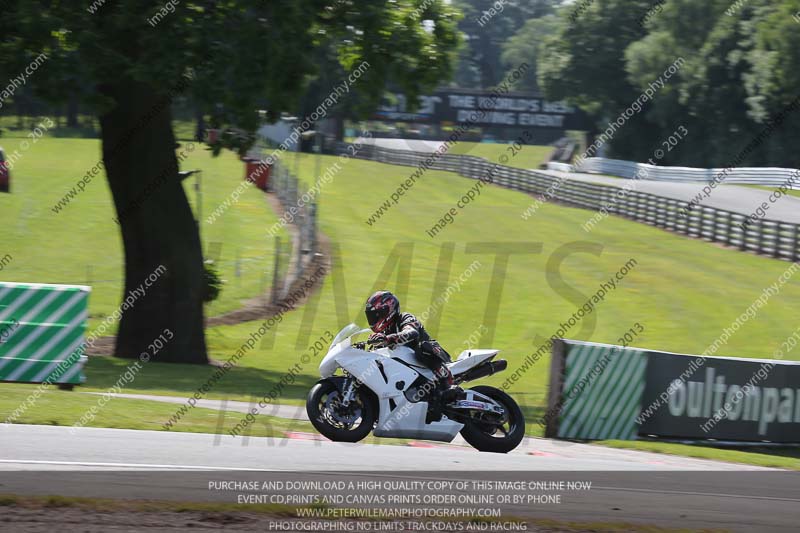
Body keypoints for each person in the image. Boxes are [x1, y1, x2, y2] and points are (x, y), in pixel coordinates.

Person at [364, 290, 463, 402]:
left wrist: (389, 339)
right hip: (412, 374)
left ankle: (448, 382)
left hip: (434, 357)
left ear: (387, 311)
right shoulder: (383, 333)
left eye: (376, 315)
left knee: (423, 348)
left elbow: (411, 332)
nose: (373, 319)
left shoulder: (404, 318)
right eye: (371, 316)